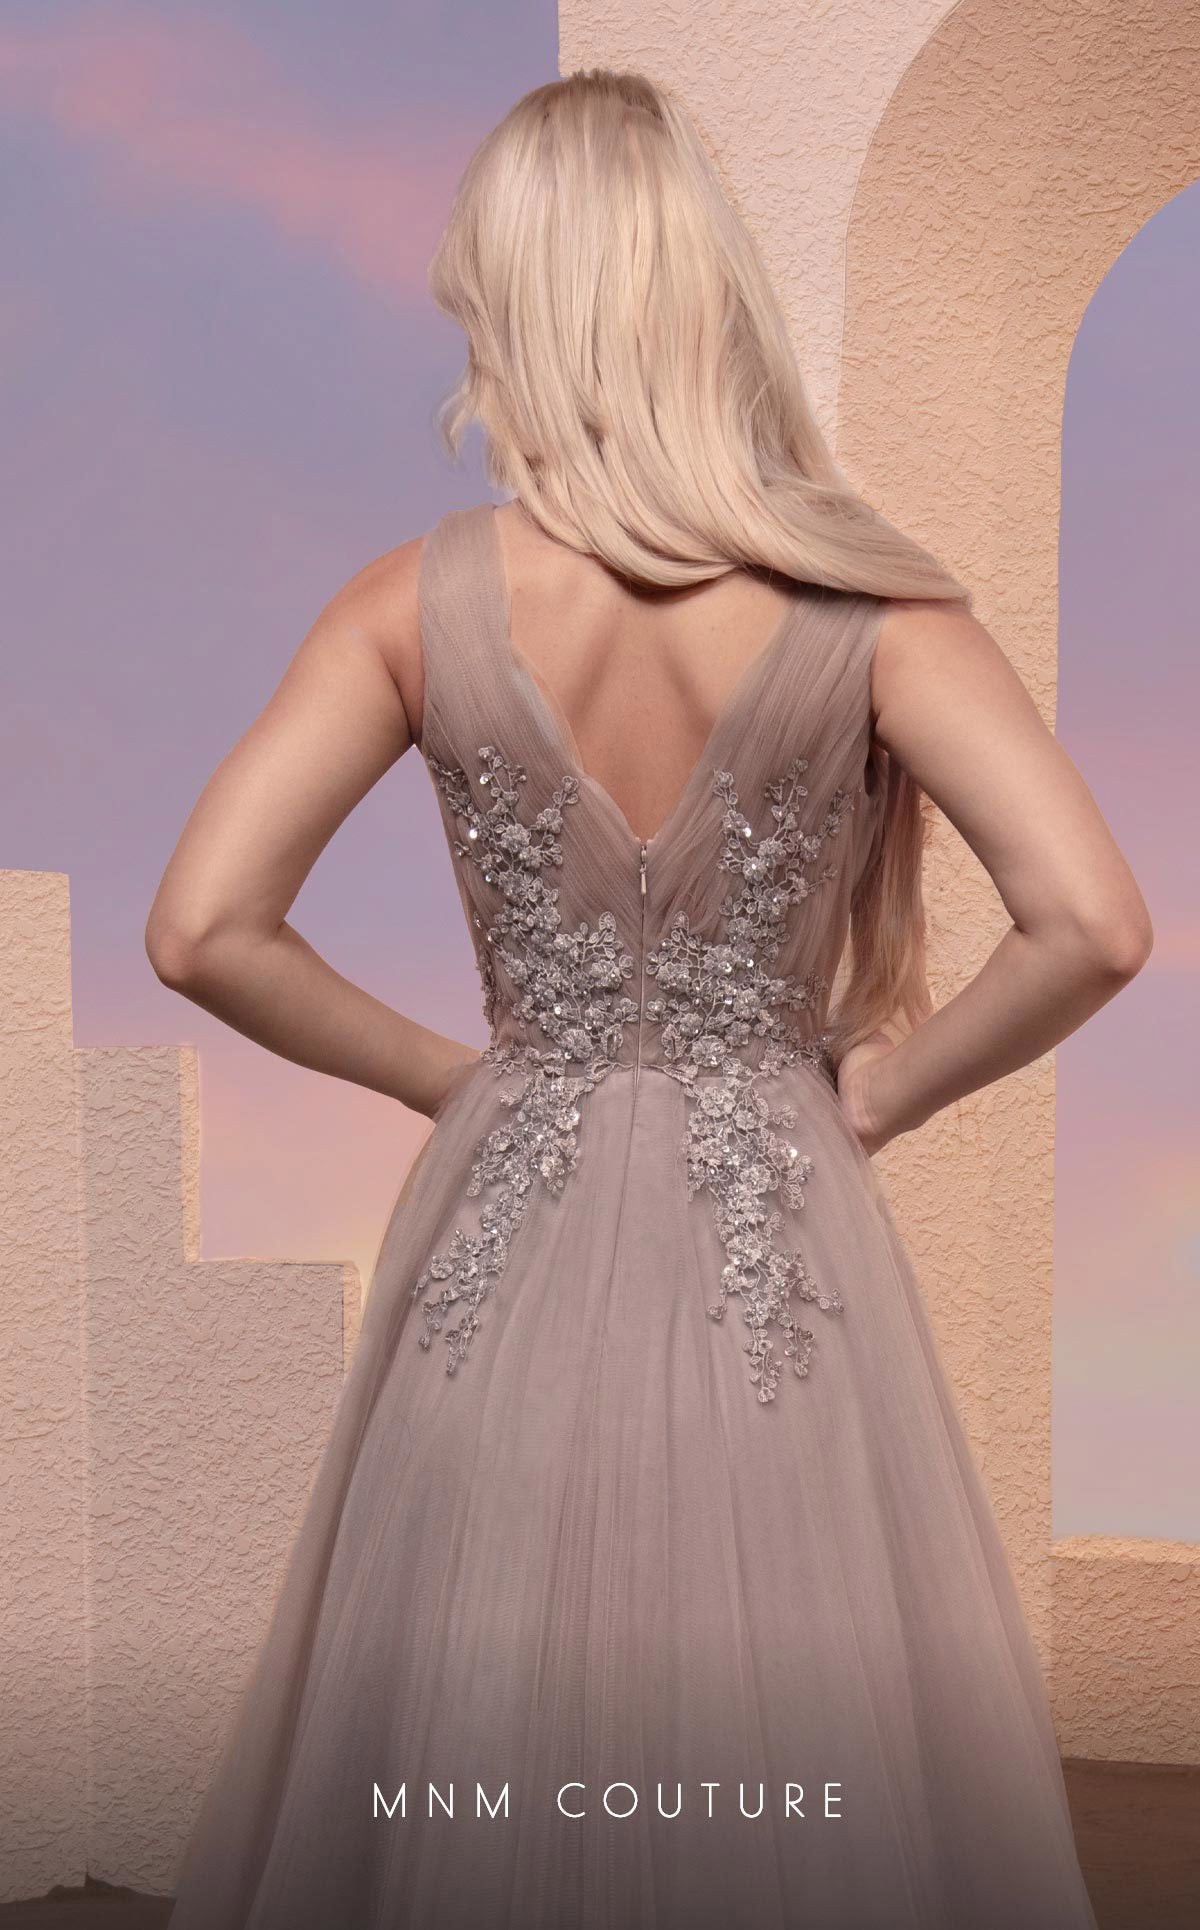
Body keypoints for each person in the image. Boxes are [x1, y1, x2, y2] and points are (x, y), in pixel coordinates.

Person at [150, 68, 1146, 1930]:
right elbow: (1092, 922)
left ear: (519, 309)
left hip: (505, 1234)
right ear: (709, 296)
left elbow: (203, 927)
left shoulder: (408, 602)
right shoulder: (872, 609)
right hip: (778, 1237)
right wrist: (878, 1088)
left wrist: (455, 1078)